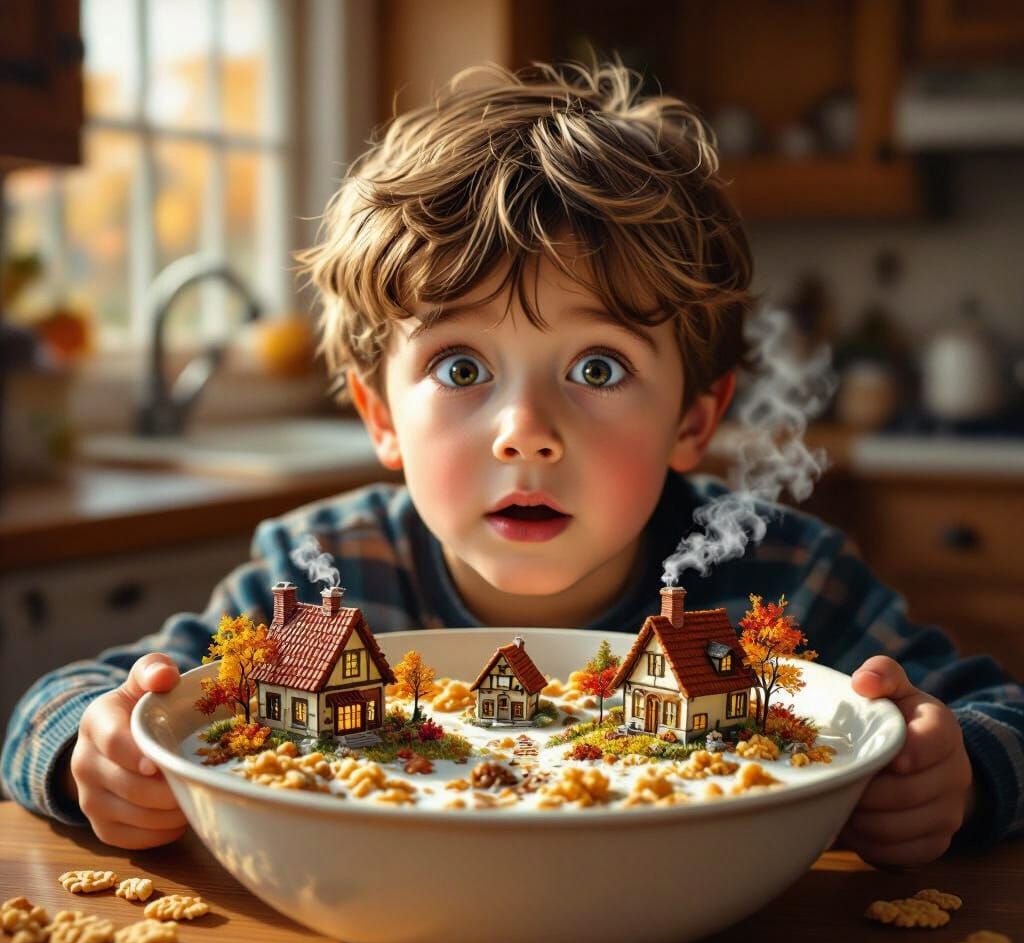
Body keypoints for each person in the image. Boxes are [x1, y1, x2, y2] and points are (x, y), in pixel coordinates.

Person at [3, 59, 1021, 864]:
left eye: (596, 364)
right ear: (378, 414)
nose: (524, 430)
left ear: (693, 417)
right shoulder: (315, 578)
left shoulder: (782, 579)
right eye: (459, 365)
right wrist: (94, 755)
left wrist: (959, 772)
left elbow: (999, 713)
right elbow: (65, 702)